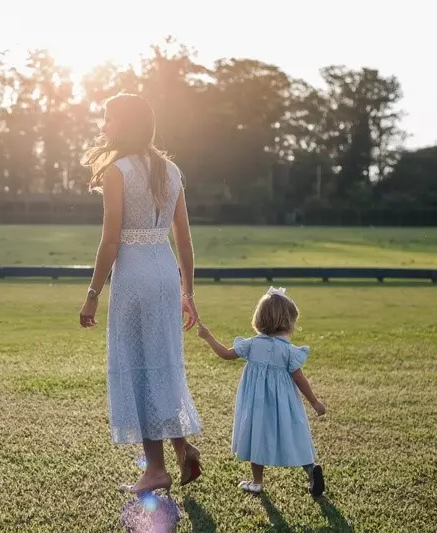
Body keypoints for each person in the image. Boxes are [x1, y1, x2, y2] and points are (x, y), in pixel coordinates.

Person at [78, 92, 203, 494]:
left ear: (127, 124)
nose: (104, 126)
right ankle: (183, 449)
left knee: (138, 368)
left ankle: (155, 470)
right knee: (162, 362)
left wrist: (93, 292)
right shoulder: (172, 170)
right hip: (165, 274)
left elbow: (110, 240)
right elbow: (184, 239)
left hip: (133, 277)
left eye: (109, 119)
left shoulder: (118, 171)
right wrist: (188, 291)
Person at [196, 287, 327, 497]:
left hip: (256, 403)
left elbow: (226, 354)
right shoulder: (287, 351)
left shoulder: (253, 345)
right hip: (284, 406)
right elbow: (299, 379)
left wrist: (208, 336)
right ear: (288, 322)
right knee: (294, 434)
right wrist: (315, 402)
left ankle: (257, 482)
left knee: (256, 433)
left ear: (260, 318)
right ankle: (311, 470)